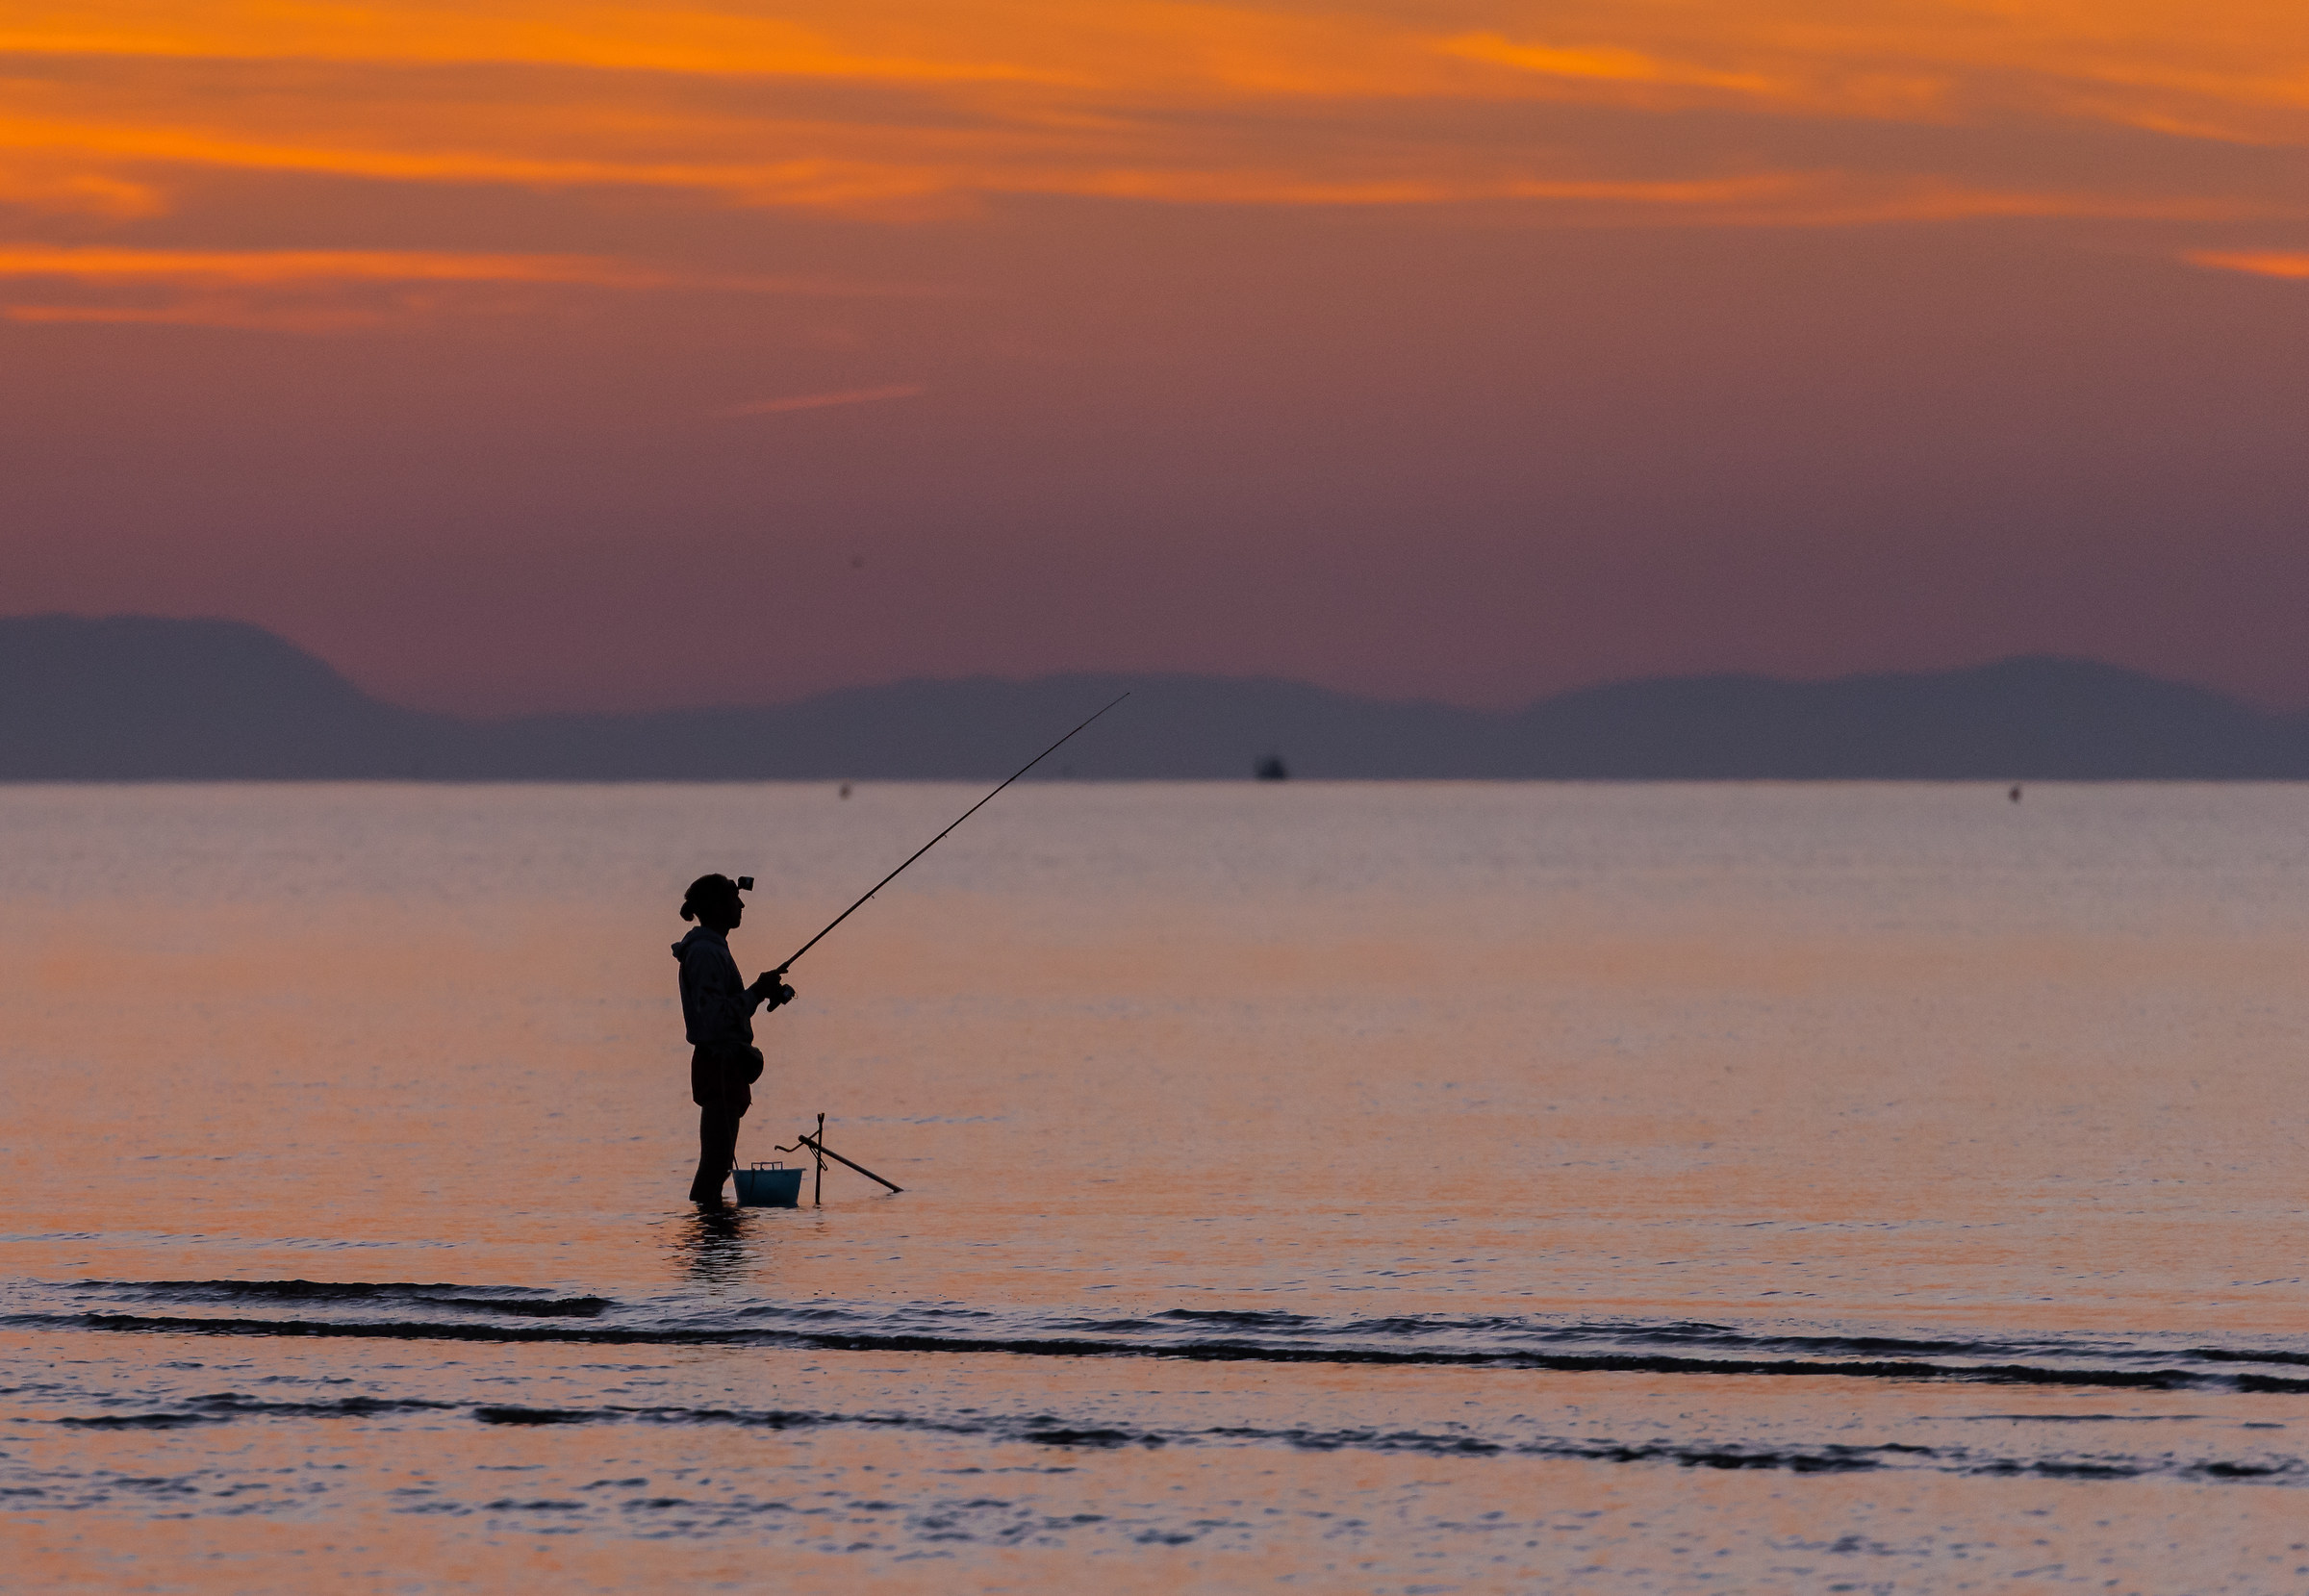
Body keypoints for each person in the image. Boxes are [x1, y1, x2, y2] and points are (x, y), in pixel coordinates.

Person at [672, 874, 795, 1203]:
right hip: (719, 1065)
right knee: (716, 1165)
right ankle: (707, 1225)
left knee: (720, 1163)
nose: (741, 905)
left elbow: (721, 1010)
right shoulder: (705, 953)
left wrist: (759, 992)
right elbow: (714, 1019)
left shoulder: (712, 949)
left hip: (725, 1065)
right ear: (715, 907)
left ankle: (713, 1226)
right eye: (734, 899)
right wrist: (755, 992)